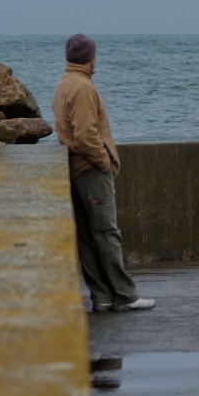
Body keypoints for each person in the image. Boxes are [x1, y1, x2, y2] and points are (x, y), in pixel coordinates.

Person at [52, 34, 155, 312]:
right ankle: (124, 295)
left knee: (87, 238)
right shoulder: (83, 88)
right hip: (90, 170)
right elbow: (86, 135)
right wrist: (104, 161)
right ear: (91, 58)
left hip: (75, 170)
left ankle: (102, 297)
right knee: (107, 233)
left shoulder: (64, 84)